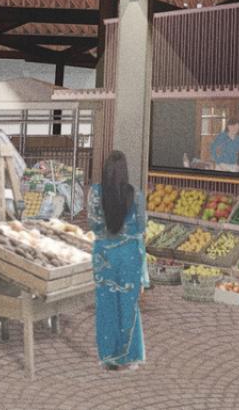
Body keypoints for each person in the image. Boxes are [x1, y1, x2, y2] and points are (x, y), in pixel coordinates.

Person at [89, 151, 147, 371]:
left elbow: (93, 224)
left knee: (106, 305)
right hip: (129, 255)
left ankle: (109, 357)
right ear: (125, 172)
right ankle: (131, 357)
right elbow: (141, 227)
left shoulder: (95, 193)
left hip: (104, 256)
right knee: (128, 305)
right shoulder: (136, 196)